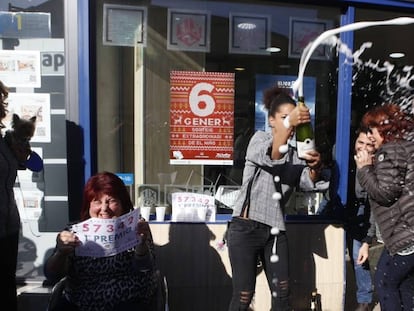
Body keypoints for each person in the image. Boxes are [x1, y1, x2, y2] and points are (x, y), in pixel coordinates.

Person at [226, 86, 325, 311]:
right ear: (271, 120)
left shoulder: (296, 153)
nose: (289, 124)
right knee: (243, 296)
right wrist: (289, 123)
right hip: (245, 227)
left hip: (275, 231)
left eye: (292, 119)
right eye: (283, 118)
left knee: (282, 294)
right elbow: (272, 156)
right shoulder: (258, 140)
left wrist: (315, 168)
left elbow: (307, 183)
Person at [44, 171, 160, 311]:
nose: (104, 209)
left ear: (123, 204)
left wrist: (141, 245)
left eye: (111, 201)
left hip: (128, 302)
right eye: (97, 201)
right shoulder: (74, 232)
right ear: (89, 206)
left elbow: (145, 268)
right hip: (80, 304)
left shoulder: (135, 226)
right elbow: (51, 275)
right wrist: (61, 253)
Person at [355, 104, 414, 311]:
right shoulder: (404, 146)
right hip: (407, 234)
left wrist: (364, 170)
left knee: (384, 282)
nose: (370, 136)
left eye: (372, 130)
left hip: (404, 235)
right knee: (404, 287)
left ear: (384, 128)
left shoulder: (390, 150)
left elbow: (385, 193)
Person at [346, 127, 376, 311]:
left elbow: (373, 207)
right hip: (339, 208)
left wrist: (368, 239)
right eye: (360, 142)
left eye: (369, 144)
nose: (363, 147)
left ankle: (364, 301)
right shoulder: (341, 154)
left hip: (361, 213)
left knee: (359, 257)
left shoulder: (375, 169)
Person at [0, 81, 20, 311]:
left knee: (6, 289)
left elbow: (34, 164)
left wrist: (23, 151)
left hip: (8, 226)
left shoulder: (4, 140)